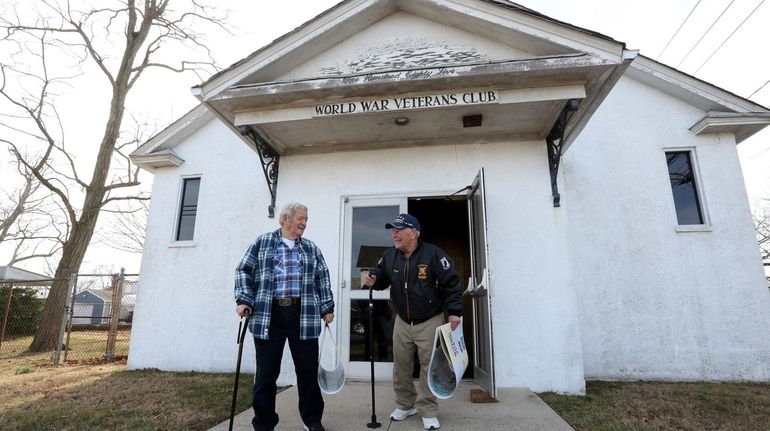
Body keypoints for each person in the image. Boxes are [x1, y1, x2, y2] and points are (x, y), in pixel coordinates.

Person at [235, 202, 335, 431]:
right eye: (300, 218)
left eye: (306, 220)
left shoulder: (311, 248)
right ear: (284, 219)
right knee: (266, 374)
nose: (303, 223)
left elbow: (323, 278)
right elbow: (243, 271)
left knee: (307, 373)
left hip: (304, 315)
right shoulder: (262, 243)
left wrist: (327, 306)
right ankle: (263, 423)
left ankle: (312, 420)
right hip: (269, 315)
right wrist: (244, 300)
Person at [364, 213, 463, 431]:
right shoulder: (390, 256)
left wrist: (455, 312)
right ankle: (405, 404)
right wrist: (374, 279)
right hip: (402, 320)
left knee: (429, 367)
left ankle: (427, 410)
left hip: (430, 319)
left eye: (399, 230)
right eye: (393, 230)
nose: (394, 234)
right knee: (401, 365)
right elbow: (380, 276)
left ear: (414, 233)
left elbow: (452, 284)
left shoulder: (434, 255)